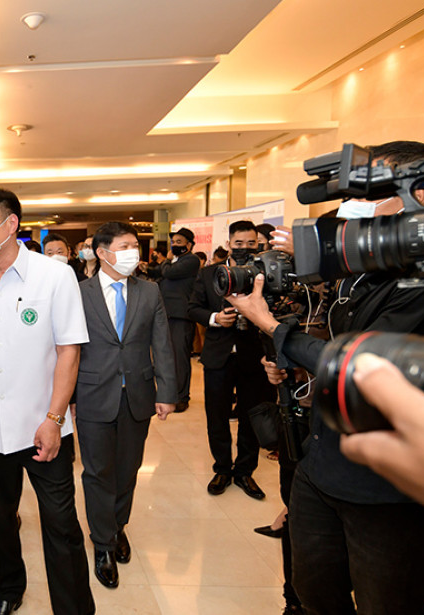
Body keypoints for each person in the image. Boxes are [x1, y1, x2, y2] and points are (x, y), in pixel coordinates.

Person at [225, 140, 424, 615]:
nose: (354, 204)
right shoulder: (361, 273)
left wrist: (272, 326)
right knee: (313, 592)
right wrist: (294, 358)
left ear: (423, 196)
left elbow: (359, 361)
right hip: (323, 464)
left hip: (392, 488)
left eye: (371, 191)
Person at [0, 187, 94, 615]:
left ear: (11, 225)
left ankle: (75, 608)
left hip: (45, 427)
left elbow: (69, 350)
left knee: (61, 526)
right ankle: (9, 590)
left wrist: (53, 417)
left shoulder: (54, 276)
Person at [75, 221, 176, 589]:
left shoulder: (150, 292)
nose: (134, 250)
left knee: (128, 469)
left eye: (136, 244)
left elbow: (162, 344)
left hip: (137, 393)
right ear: (102, 253)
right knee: (97, 472)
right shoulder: (78, 293)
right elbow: (66, 349)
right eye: (125, 245)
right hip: (92, 395)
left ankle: (118, 526)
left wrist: (167, 393)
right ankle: (102, 542)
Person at [188, 220, 276, 500]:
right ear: (228, 244)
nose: (244, 248)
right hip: (218, 355)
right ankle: (222, 468)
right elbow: (193, 308)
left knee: (252, 415)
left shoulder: (265, 273)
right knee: (216, 415)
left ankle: (245, 471)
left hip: (254, 355)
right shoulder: (209, 273)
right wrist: (215, 319)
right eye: (239, 243)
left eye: (251, 243)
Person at [159, 228, 202, 413]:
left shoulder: (191, 260)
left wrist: (167, 260)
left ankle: (182, 397)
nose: (175, 245)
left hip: (181, 316)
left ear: (189, 245)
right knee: (169, 358)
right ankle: (170, 394)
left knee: (180, 358)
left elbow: (168, 272)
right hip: (168, 315)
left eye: (179, 242)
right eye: (173, 242)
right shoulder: (177, 261)